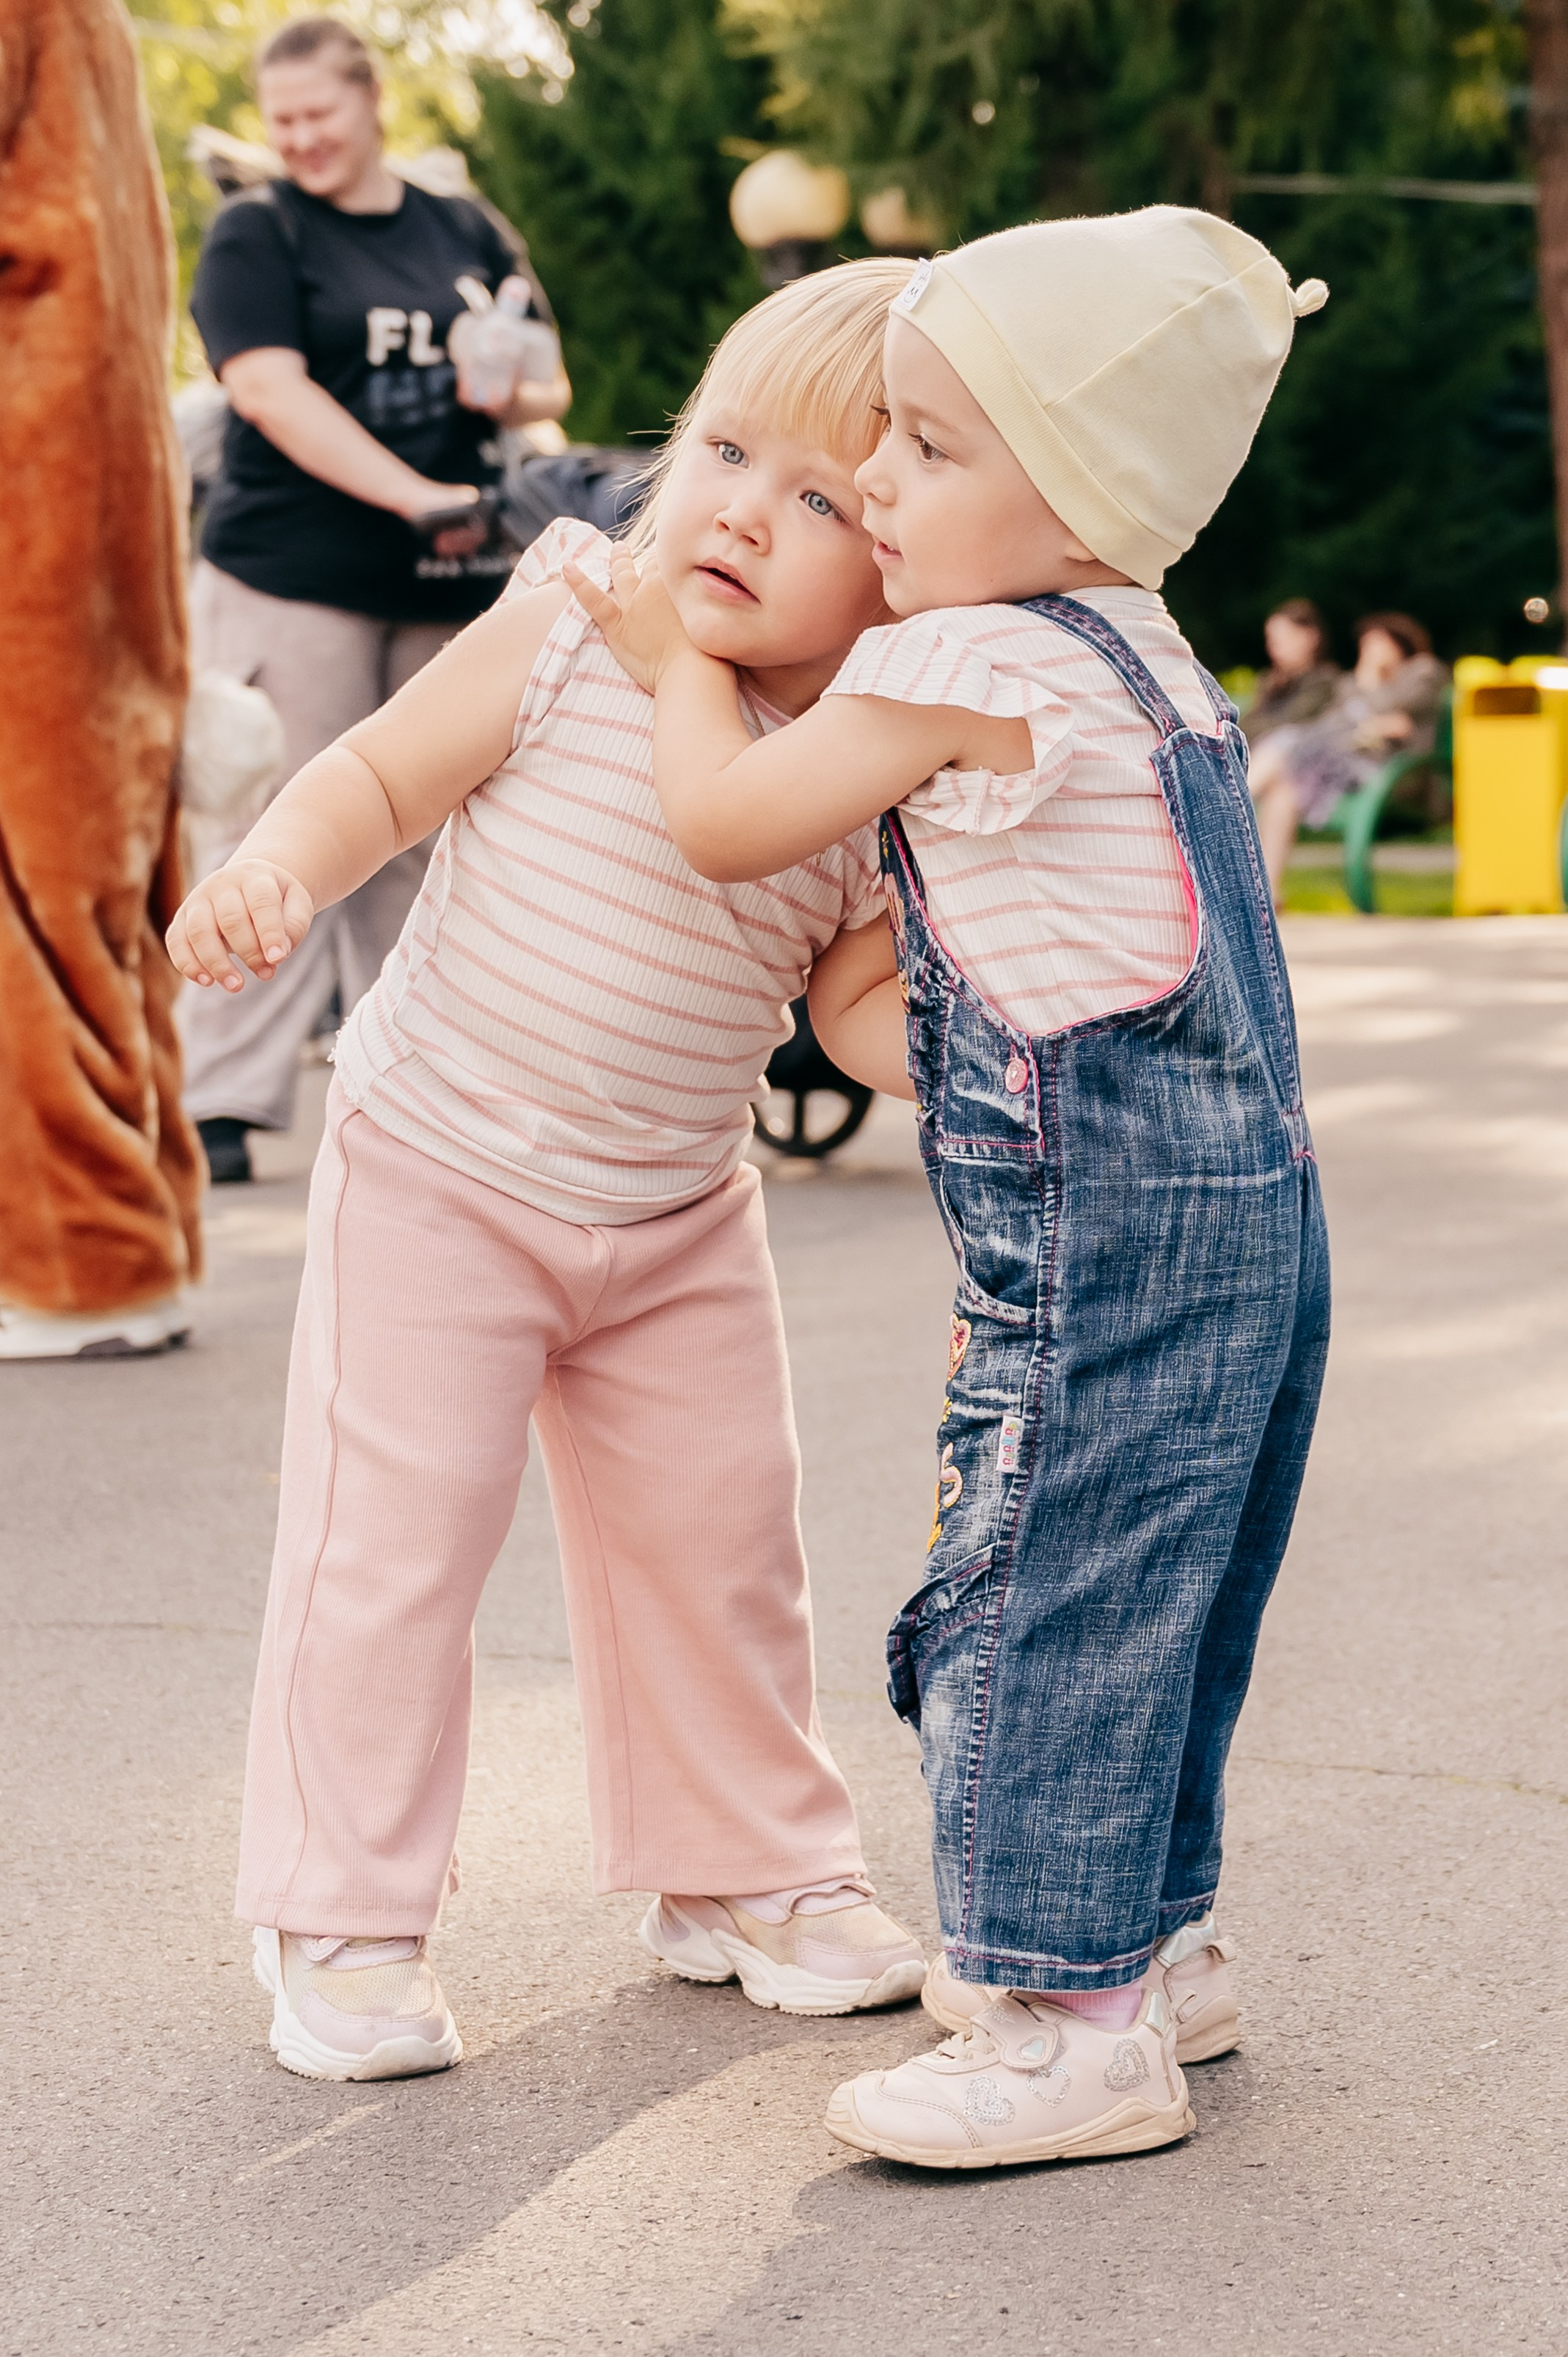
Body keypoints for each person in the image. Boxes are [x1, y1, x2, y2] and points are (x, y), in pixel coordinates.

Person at [574, 208, 1332, 2169]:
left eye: (926, 447)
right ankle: (1150, 1947)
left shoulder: (970, 652)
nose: (882, 486)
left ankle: (1056, 2019)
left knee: (1038, 1605)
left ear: (1073, 487)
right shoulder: (1147, 660)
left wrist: (669, 661)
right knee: (1162, 1595)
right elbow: (1000, 987)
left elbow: (730, 821)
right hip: (1247, 1228)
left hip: (1112, 1251)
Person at [164, 260, 927, 2083]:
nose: (742, 504)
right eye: (726, 445)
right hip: (441, 1164)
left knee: (723, 1544)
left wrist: (1009, 1067)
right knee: (392, 1548)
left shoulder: (861, 757)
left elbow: (853, 997)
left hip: (673, 1210)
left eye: (820, 494)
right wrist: (284, 863)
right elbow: (381, 771)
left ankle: (740, 1866)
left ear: (905, 551)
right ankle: (340, 1905)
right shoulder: (581, 613)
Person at [181, 14, 571, 1185]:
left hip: (444, 582)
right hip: (294, 575)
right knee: (273, 826)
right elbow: (268, 391)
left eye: (319, 115)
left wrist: (501, 390)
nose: (297, 138)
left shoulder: (460, 227)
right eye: (280, 118)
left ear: (370, 106)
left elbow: (547, 375)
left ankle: (408, 1083)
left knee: (415, 840)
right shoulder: (258, 232)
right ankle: (221, 1107)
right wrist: (411, 493)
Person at [0, 0, 200, 1363]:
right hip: (92, 451)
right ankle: (138, 1226)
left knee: (35, 862)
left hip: (29, 447)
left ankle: (87, 1251)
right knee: (101, 855)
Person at [1248, 611, 1447, 895]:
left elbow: (1391, 707)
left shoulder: (1422, 672)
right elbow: (1339, 720)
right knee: (1284, 791)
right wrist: (1370, 716)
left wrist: (1369, 683)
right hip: (1351, 767)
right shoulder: (1353, 683)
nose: (1370, 653)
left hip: (1397, 777)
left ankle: (1236, 798)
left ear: (1398, 643)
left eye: (1377, 644)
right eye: (1366, 646)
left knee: (1287, 746)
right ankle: (1270, 892)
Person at [1241, 597, 1339, 745]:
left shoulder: (1325, 680)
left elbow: (1289, 721)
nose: (1273, 648)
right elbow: (1246, 722)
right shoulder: (1270, 681)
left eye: (1284, 639)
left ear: (1311, 637)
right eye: (1271, 640)